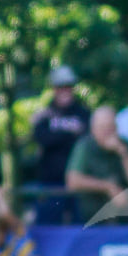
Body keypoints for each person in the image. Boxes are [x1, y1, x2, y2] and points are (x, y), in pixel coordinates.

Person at [32, 65, 90, 224]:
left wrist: (57, 136)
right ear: (53, 89)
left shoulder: (84, 113)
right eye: (60, 87)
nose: (64, 91)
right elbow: (42, 139)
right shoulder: (43, 115)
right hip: (50, 182)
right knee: (48, 224)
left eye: (68, 87)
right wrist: (70, 134)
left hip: (80, 180)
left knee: (80, 225)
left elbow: (88, 140)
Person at [65, 106, 128, 223]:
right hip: (93, 216)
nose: (107, 132)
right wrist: (107, 187)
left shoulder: (126, 146)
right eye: (102, 128)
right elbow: (73, 181)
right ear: (93, 129)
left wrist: (123, 153)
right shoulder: (84, 147)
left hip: (127, 215)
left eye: (110, 127)